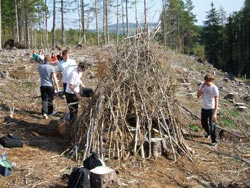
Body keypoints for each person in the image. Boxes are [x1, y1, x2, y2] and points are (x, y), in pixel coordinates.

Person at [197, 73, 219, 146]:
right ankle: (208, 132)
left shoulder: (214, 88)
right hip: (204, 107)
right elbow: (198, 95)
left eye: (208, 81)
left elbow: (216, 101)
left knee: (212, 125)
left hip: (211, 108)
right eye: (206, 81)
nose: (206, 82)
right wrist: (202, 88)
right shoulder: (203, 85)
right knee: (203, 123)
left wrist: (215, 113)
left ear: (211, 81)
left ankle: (214, 141)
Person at [38, 55, 59, 119]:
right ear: (50, 60)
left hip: (42, 85)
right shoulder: (51, 68)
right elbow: (54, 78)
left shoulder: (40, 67)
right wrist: (57, 86)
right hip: (50, 85)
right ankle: (50, 112)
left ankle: (44, 113)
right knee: (50, 99)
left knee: (44, 99)